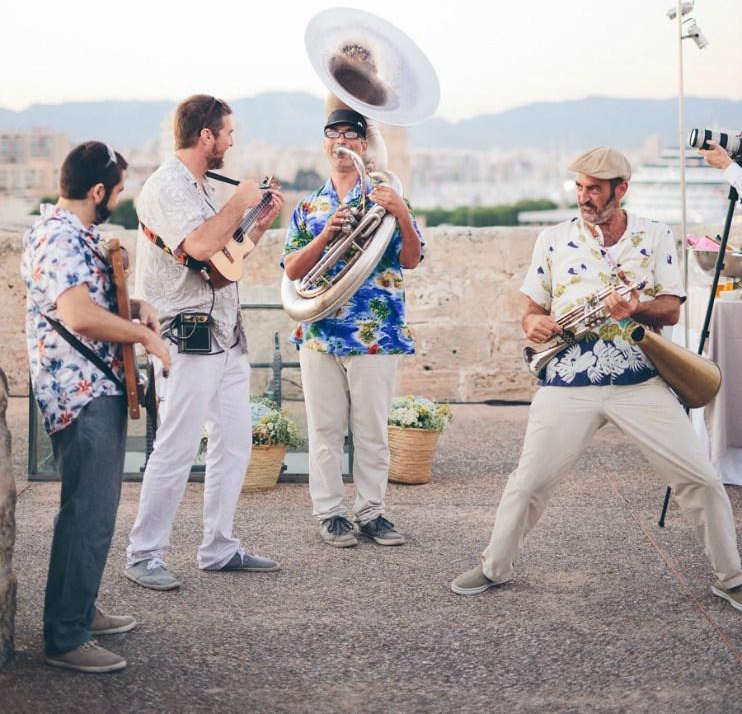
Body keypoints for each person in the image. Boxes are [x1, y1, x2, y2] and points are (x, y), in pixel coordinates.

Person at [451, 146, 742, 612]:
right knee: (529, 482)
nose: (584, 197)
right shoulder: (552, 238)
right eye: (580, 187)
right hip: (568, 378)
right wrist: (532, 323)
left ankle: (732, 578)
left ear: (620, 190)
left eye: (594, 189)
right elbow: (531, 308)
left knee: (701, 480)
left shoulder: (655, 234)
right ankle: (493, 567)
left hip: (639, 379)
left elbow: (671, 307)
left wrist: (636, 307)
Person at [22, 141, 171, 673]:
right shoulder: (60, 237)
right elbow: (79, 315)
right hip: (81, 395)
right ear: (99, 190)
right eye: (118, 190)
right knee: (88, 515)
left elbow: (92, 301)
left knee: (94, 511)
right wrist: (145, 336)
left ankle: (79, 608)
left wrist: (135, 306)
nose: (119, 199)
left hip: (93, 390)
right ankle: (65, 635)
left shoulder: (69, 233)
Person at [125, 94, 284, 589]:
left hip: (224, 335)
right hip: (185, 335)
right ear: (205, 136)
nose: (232, 143)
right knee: (175, 447)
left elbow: (218, 264)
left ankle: (219, 547)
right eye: (228, 133)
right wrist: (240, 202)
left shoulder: (202, 187)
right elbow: (196, 244)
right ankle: (143, 554)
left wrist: (258, 224)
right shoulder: (166, 186)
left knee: (233, 444)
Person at [282, 106, 423, 547]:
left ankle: (371, 512)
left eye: (350, 134)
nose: (341, 141)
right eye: (333, 134)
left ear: (363, 144)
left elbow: (411, 259)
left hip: (375, 334)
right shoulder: (309, 206)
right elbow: (292, 269)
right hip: (320, 333)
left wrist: (401, 214)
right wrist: (327, 235)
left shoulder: (385, 197)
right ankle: (329, 513)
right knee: (324, 430)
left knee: (371, 431)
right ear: (325, 144)